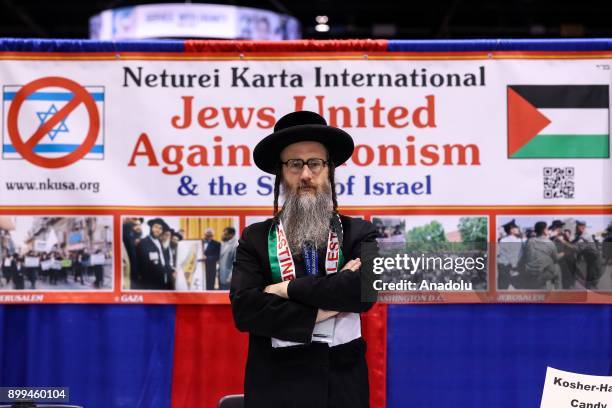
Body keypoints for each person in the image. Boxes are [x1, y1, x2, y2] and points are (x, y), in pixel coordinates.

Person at [230, 111, 377, 407]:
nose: (306, 174)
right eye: (295, 164)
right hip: (276, 387)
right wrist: (332, 299)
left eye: (315, 163)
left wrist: (285, 290)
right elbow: (246, 311)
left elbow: (365, 292)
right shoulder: (254, 238)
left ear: (329, 170)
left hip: (342, 389)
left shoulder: (360, 232)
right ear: (281, 173)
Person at [521, 221, 563, 289]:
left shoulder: (529, 241)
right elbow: (555, 259)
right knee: (557, 267)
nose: (548, 230)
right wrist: (564, 253)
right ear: (544, 230)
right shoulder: (550, 243)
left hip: (529, 272)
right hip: (540, 274)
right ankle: (559, 293)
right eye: (546, 229)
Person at [135, 218, 171, 290]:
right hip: (151, 283)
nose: (158, 230)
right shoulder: (143, 243)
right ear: (151, 228)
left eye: (160, 228)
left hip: (163, 279)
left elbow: (163, 260)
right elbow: (141, 265)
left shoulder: (160, 243)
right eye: (156, 227)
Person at [497, 219, 523, 289]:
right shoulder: (519, 241)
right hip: (515, 269)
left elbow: (499, 255)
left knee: (502, 291)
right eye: (516, 228)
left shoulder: (502, 240)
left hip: (504, 269)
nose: (518, 229)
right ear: (511, 230)